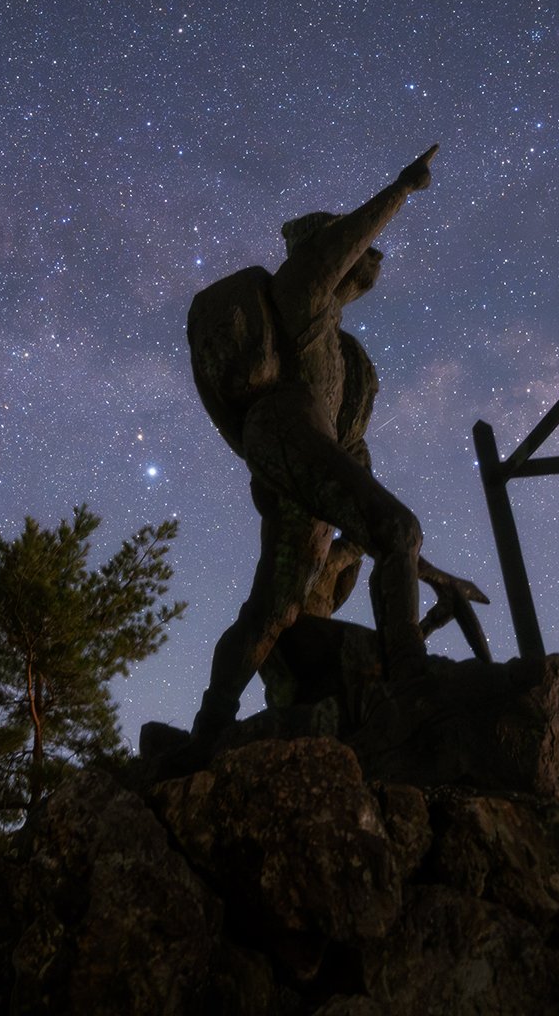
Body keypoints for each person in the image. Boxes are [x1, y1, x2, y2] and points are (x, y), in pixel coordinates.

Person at [185, 145, 437, 745]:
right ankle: (412, 687)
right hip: (282, 428)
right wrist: (402, 188)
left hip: (308, 451)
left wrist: (420, 568)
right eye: (354, 246)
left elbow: (354, 467)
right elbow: (336, 249)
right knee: (399, 528)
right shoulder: (299, 293)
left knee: (277, 610)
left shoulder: (349, 359)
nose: (371, 254)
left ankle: (209, 728)